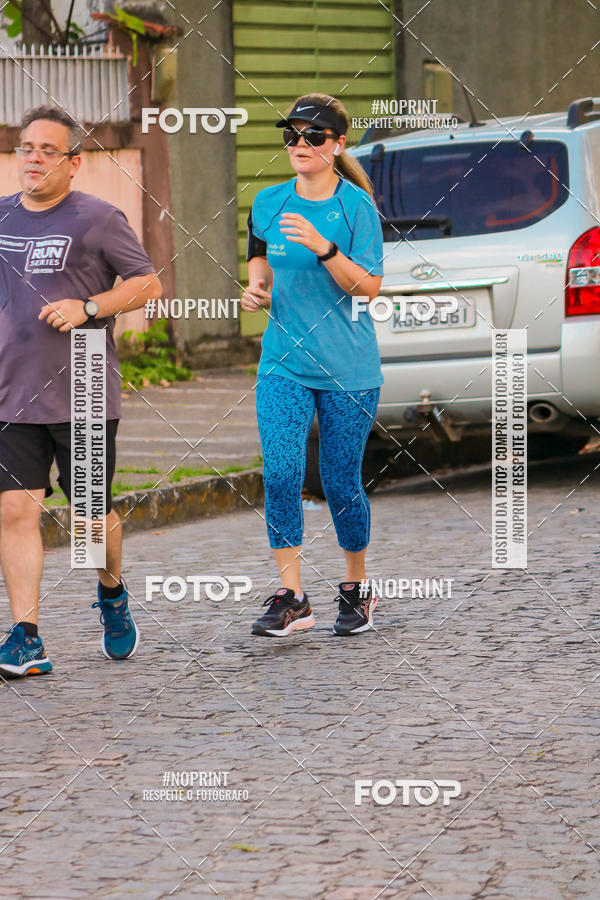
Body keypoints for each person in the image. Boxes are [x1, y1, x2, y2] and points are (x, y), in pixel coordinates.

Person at [0, 106, 162, 677]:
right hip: (9, 390)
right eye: (27, 148)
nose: (35, 159)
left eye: (48, 150)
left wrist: (89, 307)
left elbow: (147, 283)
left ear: (74, 162)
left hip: (84, 386)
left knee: (90, 518)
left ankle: (112, 593)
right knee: (16, 509)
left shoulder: (97, 218)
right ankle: (26, 636)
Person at [242, 93, 383, 638]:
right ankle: (293, 596)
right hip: (282, 361)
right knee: (280, 472)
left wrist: (327, 249)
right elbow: (259, 254)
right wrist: (257, 287)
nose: (300, 144)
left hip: (349, 367)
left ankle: (355, 587)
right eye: (292, 134)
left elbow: (369, 288)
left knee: (340, 480)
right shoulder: (269, 201)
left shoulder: (356, 208)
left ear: (338, 144)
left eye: (314, 136)